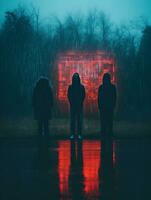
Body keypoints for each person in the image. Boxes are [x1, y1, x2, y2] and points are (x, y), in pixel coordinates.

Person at [98, 73, 116, 138]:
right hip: (108, 107)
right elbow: (114, 97)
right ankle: (109, 134)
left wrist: (100, 106)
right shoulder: (112, 87)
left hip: (104, 107)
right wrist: (113, 105)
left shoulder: (101, 87)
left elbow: (99, 98)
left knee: (104, 121)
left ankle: (104, 134)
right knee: (109, 121)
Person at [67, 73, 85, 139]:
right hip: (77, 105)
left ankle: (74, 134)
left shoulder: (71, 87)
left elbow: (69, 95)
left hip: (75, 105)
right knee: (76, 120)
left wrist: (72, 102)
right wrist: (79, 101)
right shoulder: (80, 87)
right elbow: (83, 95)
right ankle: (77, 134)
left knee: (75, 120)